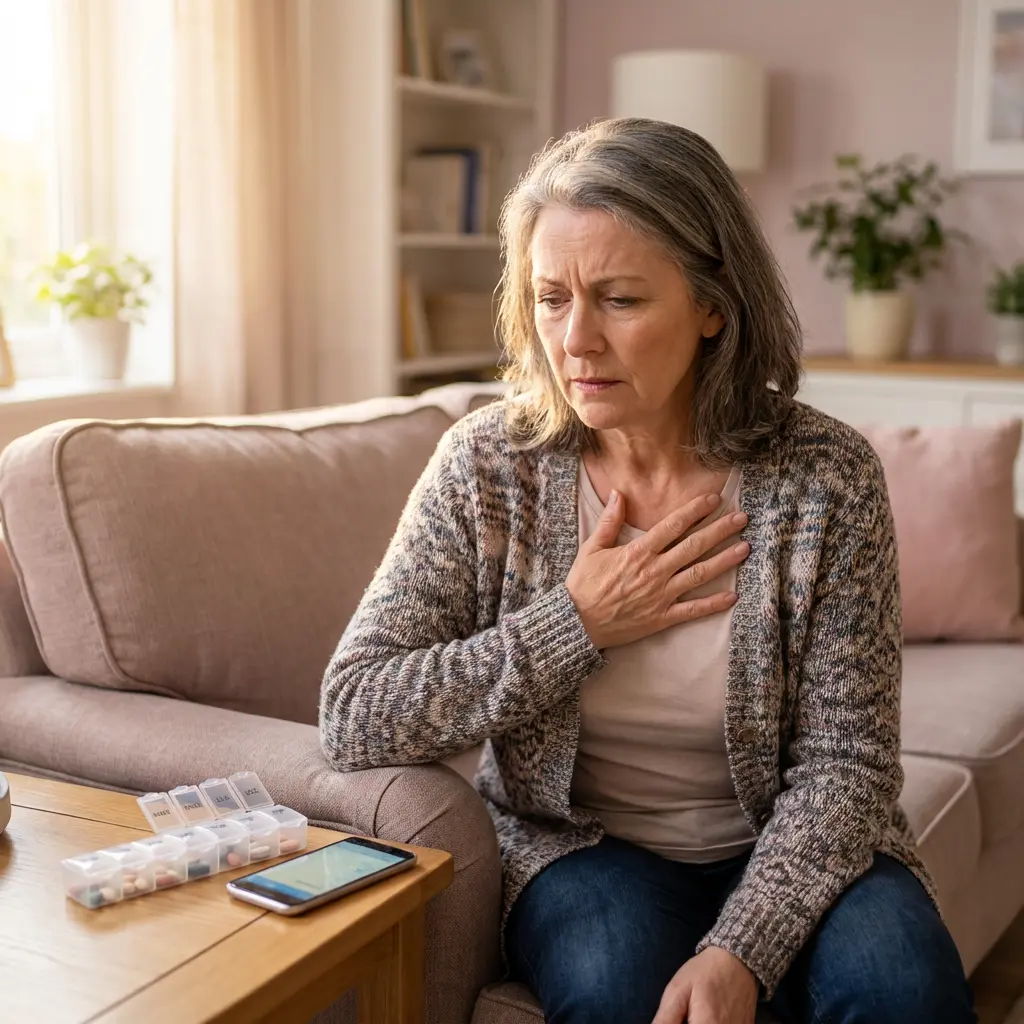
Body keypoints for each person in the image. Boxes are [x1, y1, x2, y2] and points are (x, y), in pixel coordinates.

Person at [319, 119, 975, 1024]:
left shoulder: (825, 475)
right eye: (552, 299)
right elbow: (357, 711)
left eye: (620, 299)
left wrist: (741, 949)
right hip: (583, 849)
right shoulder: (487, 468)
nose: (576, 340)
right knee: (614, 987)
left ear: (714, 305)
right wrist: (575, 623)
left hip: (788, 837)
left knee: (901, 987)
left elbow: (848, 767)